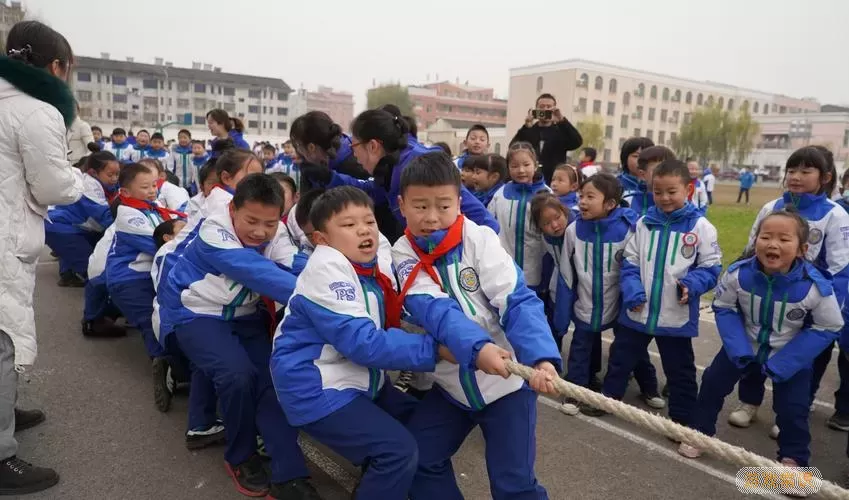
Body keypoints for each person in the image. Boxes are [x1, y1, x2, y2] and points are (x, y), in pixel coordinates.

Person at [272, 186, 476, 499]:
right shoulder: (327, 269)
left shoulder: (368, 264)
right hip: (315, 388)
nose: (364, 230)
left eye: (368, 221)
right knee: (397, 450)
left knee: (423, 432)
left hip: (359, 379)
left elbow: (409, 299)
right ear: (322, 240)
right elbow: (363, 343)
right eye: (349, 225)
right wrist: (435, 349)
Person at [391, 152, 561, 500]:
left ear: (459, 202)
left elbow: (517, 300)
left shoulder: (480, 239)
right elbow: (435, 310)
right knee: (421, 460)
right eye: (420, 206)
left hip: (508, 388)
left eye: (443, 205)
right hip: (452, 387)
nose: (432, 218)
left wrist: (542, 359)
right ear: (401, 205)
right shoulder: (402, 252)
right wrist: (477, 348)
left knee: (513, 484)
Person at [159, 174, 317, 499]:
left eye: (270, 223)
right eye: (252, 221)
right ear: (233, 208)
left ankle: (290, 474)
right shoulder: (214, 230)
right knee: (237, 375)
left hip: (245, 317)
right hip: (196, 315)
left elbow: (294, 262)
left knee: (275, 379)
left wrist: (339, 270)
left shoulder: (278, 232)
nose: (260, 232)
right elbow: (260, 273)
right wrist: (325, 300)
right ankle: (241, 456)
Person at [679, 209, 843, 469]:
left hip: (789, 354)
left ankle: (794, 459)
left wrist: (789, 361)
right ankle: (700, 433)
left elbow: (829, 325)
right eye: (765, 237)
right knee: (711, 384)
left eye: (784, 239)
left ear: (802, 249)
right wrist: (738, 348)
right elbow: (724, 307)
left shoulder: (815, 286)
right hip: (743, 346)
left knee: (793, 409)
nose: (773, 244)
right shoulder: (738, 274)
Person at [0, 20, 83, 494]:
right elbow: (52, 184)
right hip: (6, 238)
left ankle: (6, 410)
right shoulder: (36, 110)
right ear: (55, 67)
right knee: (2, 338)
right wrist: (78, 182)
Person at [729, 146, 849, 438]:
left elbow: (840, 269)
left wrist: (821, 306)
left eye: (805, 171)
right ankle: (749, 402)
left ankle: (793, 411)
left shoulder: (835, 215)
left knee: (801, 362)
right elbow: (750, 250)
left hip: (806, 307)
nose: (796, 177)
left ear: (825, 177)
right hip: (764, 298)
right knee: (756, 349)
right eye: (792, 170)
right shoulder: (771, 207)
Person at [601, 160, 722, 428]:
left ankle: (682, 421)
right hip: (637, 312)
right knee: (620, 360)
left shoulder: (701, 227)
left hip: (675, 316)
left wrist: (692, 284)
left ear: (688, 190)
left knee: (681, 373)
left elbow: (712, 267)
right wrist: (632, 291)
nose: (664, 198)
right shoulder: (644, 223)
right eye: (658, 192)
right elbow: (630, 262)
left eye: (671, 191)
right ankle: (608, 399)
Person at [298, 109, 499, 241]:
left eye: (354, 146)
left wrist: (483, 248)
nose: (352, 152)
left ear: (373, 146)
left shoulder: (419, 167)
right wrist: (330, 178)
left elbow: (477, 214)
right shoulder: (391, 167)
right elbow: (372, 191)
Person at [553, 174, 640, 415]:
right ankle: (575, 392)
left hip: (619, 303)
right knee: (580, 348)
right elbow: (566, 273)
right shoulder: (573, 230)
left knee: (622, 350)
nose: (582, 201)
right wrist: (563, 312)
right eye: (581, 195)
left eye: (590, 197)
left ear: (610, 204)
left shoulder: (627, 230)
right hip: (586, 301)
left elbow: (634, 268)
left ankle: (633, 389)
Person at [106, 163, 186, 411]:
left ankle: (177, 368)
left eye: (154, 185)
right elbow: (160, 244)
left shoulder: (153, 209)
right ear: (126, 193)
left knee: (165, 318)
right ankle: (162, 368)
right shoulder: (128, 215)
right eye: (145, 187)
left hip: (150, 275)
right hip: (129, 279)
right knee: (151, 323)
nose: (152, 191)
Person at [44, 151, 117, 287]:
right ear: (94, 173)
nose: (114, 179)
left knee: (77, 242)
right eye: (110, 175)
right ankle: (84, 276)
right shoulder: (89, 186)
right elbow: (105, 217)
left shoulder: (99, 182)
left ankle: (69, 274)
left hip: (61, 222)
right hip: (58, 225)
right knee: (92, 268)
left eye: (117, 174)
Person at [487, 142, 550, 290]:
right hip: (504, 271)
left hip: (536, 273)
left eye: (526, 164)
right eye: (514, 166)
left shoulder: (546, 195)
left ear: (535, 165)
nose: (521, 170)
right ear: (508, 168)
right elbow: (489, 228)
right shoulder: (500, 194)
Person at [510, 93, 583, 184]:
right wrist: (526, 126)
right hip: (530, 180)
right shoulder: (529, 130)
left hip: (553, 180)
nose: (545, 109)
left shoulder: (560, 131)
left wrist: (562, 121)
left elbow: (577, 142)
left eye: (549, 107)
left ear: (554, 109)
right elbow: (513, 148)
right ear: (536, 110)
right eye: (541, 107)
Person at [618, 137, 655, 216]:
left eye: (645, 156)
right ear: (625, 158)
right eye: (635, 156)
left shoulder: (658, 185)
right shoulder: (615, 185)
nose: (640, 160)